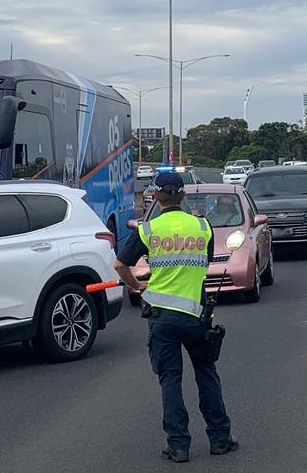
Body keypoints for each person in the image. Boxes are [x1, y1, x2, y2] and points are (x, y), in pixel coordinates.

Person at [114, 172, 238, 464]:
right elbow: (203, 263)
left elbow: (120, 264)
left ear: (155, 196)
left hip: (162, 318)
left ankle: (179, 446)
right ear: (183, 196)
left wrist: (137, 285)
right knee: (207, 374)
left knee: (170, 380)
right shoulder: (202, 226)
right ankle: (220, 439)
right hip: (196, 316)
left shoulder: (148, 230)